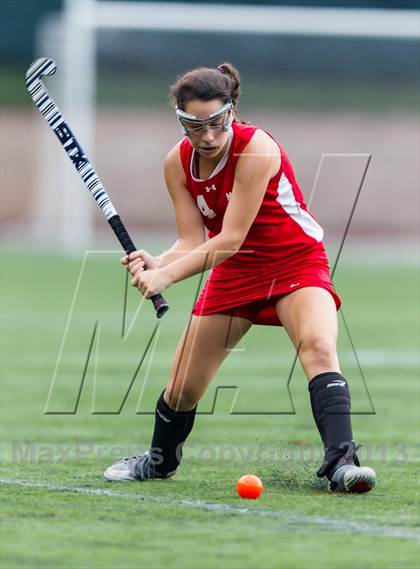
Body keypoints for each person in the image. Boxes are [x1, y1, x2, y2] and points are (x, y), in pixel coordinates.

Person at [104, 63, 376, 493]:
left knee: (319, 346)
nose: (209, 136)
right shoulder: (177, 163)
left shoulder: (256, 149)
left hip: (293, 260)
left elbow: (230, 238)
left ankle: (342, 463)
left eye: (217, 122)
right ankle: (159, 463)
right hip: (235, 273)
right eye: (196, 126)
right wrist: (160, 261)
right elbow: (192, 239)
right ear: (181, 121)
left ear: (231, 111)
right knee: (182, 388)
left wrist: (167, 277)